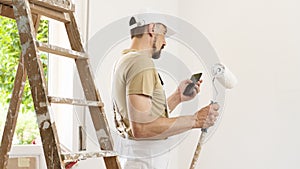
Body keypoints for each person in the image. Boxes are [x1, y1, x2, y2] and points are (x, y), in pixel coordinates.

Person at [112, 13, 219, 169]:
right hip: (144, 161)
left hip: (136, 157)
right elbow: (141, 128)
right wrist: (196, 120)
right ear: (151, 28)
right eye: (164, 34)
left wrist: (177, 97)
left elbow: (143, 117)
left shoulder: (124, 60)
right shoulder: (141, 62)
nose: (164, 42)